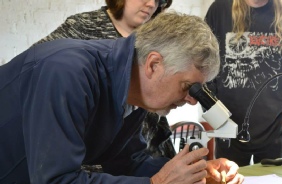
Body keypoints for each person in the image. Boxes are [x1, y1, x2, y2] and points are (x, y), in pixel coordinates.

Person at [0, 12, 244, 184]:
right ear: (153, 65)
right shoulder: (67, 72)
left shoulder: (130, 91)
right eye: (187, 87)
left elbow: (127, 163)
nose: (191, 100)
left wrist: (193, 173)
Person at [35, 0, 176, 159]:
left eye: (159, 0)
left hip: (147, 154)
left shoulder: (154, 38)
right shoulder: (84, 26)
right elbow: (35, 67)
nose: (151, 4)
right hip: (98, 161)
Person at [205, 0, 282, 166]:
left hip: (275, 132)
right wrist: (217, 118)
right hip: (228, 131)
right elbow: (202, 65)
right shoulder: (219, 9)